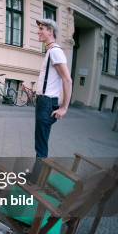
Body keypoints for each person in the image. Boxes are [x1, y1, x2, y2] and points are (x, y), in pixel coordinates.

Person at [34, 18, 72, 160]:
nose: (38, 32)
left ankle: (37, 178)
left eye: (41, 29)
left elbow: (67, 79)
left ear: (50, 31)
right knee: (40, 142)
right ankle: (37, 176)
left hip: (46, 103)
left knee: (41, 145)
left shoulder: (55, 51)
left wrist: (64, 107)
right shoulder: (50, 51)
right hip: (44, 101)